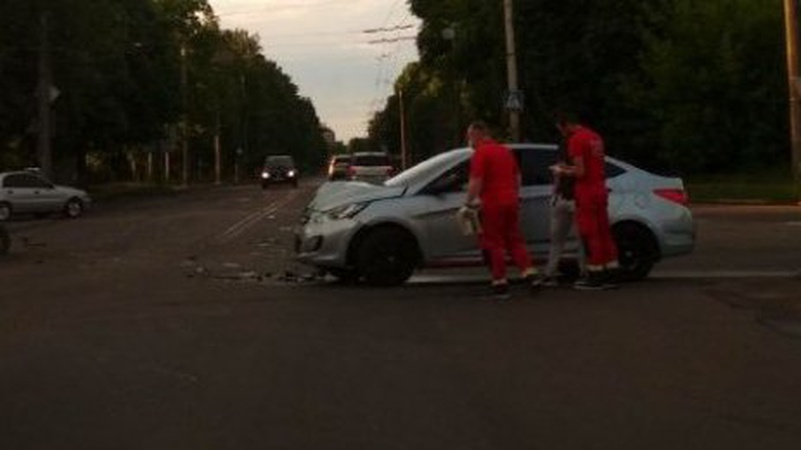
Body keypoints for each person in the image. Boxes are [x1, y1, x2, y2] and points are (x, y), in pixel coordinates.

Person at [464, 121, 541, 299]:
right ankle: (530, 273)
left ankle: (500, 283)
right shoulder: (505, 151)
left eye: (470, 136)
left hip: (492, 203)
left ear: (478, 134)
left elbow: (476, 181)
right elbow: (517, 177)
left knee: (494, 243)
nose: (469, 140)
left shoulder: (481, 154)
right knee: (515, 240)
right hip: (511, 201)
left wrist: (467, 203)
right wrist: (514, 195)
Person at [552, 111, 620, 290]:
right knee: (604, 231)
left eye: (561, 129)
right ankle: (612, 272)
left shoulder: (576, 140)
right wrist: (571, 167)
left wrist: (562, 171)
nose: (562, 133)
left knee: (590, 234)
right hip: (599, 188)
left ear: (566, 125)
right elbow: (592, 164)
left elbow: (581, 172)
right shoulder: (595, 137)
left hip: (586, 191)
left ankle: (595, 274)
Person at [542, 141, 585, 286]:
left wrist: (554, 195)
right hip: (573, 199)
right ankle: (583, 272)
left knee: (558, 240)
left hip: (565, 199)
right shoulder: (578, 157)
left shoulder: (563, 158)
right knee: (580, 240)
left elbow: (558, 177)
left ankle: (550, 274)